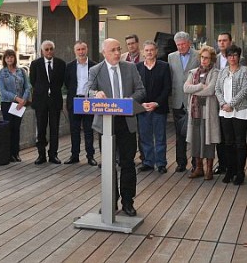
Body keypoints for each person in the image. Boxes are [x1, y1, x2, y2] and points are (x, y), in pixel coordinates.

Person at [89, 38, 149, 217]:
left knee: (127, 163)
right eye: (112, 50)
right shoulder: (96, 70)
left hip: (126, 121)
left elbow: (141, 91)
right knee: (108, 164)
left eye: (118, 49)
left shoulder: (130, 67)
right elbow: (87, 91)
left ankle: (128, 202)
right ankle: (110, 202)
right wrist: (95, 94)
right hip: (106, 124)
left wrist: (127, 101)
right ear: (104, 53)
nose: (117, 53)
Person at [215, 45, 247, 185]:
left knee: (240, 142)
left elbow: (244, 90)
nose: (232, 58)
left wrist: (231, 104)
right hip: (225, 111)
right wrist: (223, 103)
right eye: (229, 55)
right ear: (226, 57)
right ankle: (230, 170)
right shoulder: (223, 71)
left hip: (240, 111)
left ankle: (240, 172)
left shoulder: (244, 71)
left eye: (235, 55)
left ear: (239, 56)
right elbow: (217, 89)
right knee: (228, 142)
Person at [184, 46, 221, 180]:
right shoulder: (193, 72)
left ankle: (209, 169)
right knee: (195, 140)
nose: (204, 60)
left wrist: (194, 91)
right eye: (202, 57)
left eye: (207, 58)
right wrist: (200, 86)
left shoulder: (215, 72)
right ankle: (198, 168)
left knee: (208, 141)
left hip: (208, 113)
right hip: (195, 112)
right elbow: (185, 88)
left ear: (212, 59)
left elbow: (210, 91)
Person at [136, 41, 172, 173]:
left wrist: (156, 103)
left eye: (151, 50)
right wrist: (141, 104)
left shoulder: (164, 66)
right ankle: (148, 162)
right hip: (143, 108)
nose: (149, 52)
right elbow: (135, 88)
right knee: (145, 137)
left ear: (156, 51)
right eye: (147, 50)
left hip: (159, 108)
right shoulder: (137, 67)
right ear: (143, 52)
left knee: (160, 137)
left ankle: (161, 163)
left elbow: (167, 87)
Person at [29, 40, 66, 165]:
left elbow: (61, 81)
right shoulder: (35, 64)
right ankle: (41, 155)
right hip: (41, 101)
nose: (49, 51)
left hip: (55, 100)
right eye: (46, 49)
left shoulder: (61, 64)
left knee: (54, 129)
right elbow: (33, 81)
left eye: (51, 49)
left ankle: (53, 154)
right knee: (41, 128)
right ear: (42, 51)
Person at [168, 31, 200, 172]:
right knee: (179, 134)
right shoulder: (171, 57)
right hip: (178, 100)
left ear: (189, 43)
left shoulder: (198, 55)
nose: (180, 47)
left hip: (194, 99)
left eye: (183, 44)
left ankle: (196, 163)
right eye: (178, 45)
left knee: (195, 134)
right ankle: (181, 162)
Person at [64, 41, 97, 165]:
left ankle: (90, 156)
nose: (81, 52)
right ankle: (74, 155)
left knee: (89, 130)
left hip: (88, 101)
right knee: (74, 130)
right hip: (75, 101)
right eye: (78, 49)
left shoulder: (94, 66)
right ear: (75, 51)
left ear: (87, 50)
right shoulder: (69, 66)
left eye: (83, 49)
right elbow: (67, 83)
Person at [0, 49, 31, 163]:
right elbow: (2, 91)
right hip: (7, 103)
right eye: (7, 57)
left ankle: (16, 153)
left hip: (20, 104)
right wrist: (17, 98)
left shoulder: (21, 71)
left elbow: (27, 86)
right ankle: (9, 154)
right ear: (4, 59)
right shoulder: (2, 73)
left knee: (16, 128)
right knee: (9, 129)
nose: (9, 59)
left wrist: (23, 100)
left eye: (11, 57)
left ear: (14, 58)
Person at [214, 32, 233, 175]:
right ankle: (222, 164)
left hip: (231, 103)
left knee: (230, 136)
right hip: (216, 102)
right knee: (218, 135)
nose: (222, 43)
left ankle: (232, 166)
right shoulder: (214, 58)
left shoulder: (238, 58)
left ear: (230, 42)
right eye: (219, 40)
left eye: (224, 40)